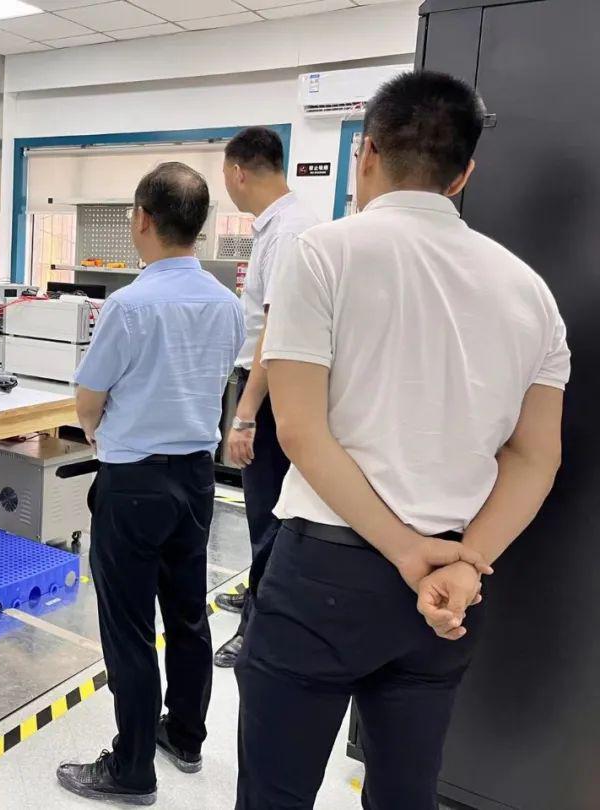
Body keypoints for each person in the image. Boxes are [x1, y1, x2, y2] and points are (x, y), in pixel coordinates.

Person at [235, 70, 569, 809]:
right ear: (464, 173)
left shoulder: (322, 253)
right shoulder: (530, 292)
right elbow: (535, 456)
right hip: (450, 587)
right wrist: (467, 561)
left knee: (276, 793)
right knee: (405, 795)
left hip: (327, 571)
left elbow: (300, 429)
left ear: (368, 153)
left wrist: (402, 549)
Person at [57, 162, 246, 806]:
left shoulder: (130, 305)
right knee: (188, 613)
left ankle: (132, 768)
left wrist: (98, 431)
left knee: (130, 626)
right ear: (201, 226)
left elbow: (89, 399)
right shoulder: (227, 304)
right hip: (195, 480)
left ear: (141, 219)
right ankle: (185, 737)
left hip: (134, 481)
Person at [214, 127, 320, 669]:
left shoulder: (287, 232)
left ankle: (256, 627)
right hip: (276, 388)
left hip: (273, 394)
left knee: (269, 514)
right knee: (266, 512)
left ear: (237, 172)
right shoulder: (286, 223)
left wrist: (246, 414)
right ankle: (258, 593)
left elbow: (275, 332)